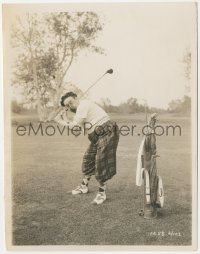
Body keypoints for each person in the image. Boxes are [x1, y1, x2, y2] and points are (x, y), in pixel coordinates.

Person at [54, 91, 119, 205]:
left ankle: (101, 193)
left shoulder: (83, 104)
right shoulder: (80, 111)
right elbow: (76, 132)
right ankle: (84, 186)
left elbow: (75, 126)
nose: (70, 106)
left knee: (101, 162)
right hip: (96, 135)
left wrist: (61, 121)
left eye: (70, 102)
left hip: (107, 131)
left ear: (76, 98)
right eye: (67, 106)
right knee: (88, 159)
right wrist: (65, 119)